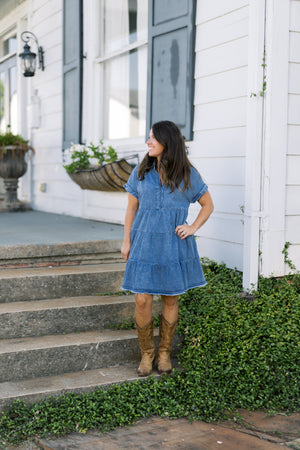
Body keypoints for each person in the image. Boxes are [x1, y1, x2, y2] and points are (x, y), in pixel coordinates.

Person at [121, 120, 214, 377]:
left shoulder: (188, 175)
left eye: (153, 138)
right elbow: (131, 208)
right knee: (141, 299)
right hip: (144, 242)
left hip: (173, 244)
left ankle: (164, 353)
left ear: (167, 142)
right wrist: (126, 240)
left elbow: (208, 204)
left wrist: (192, 227)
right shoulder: (140, 172)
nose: (148, 142)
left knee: (171, 298)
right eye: (148, 137)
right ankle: (146, 353)